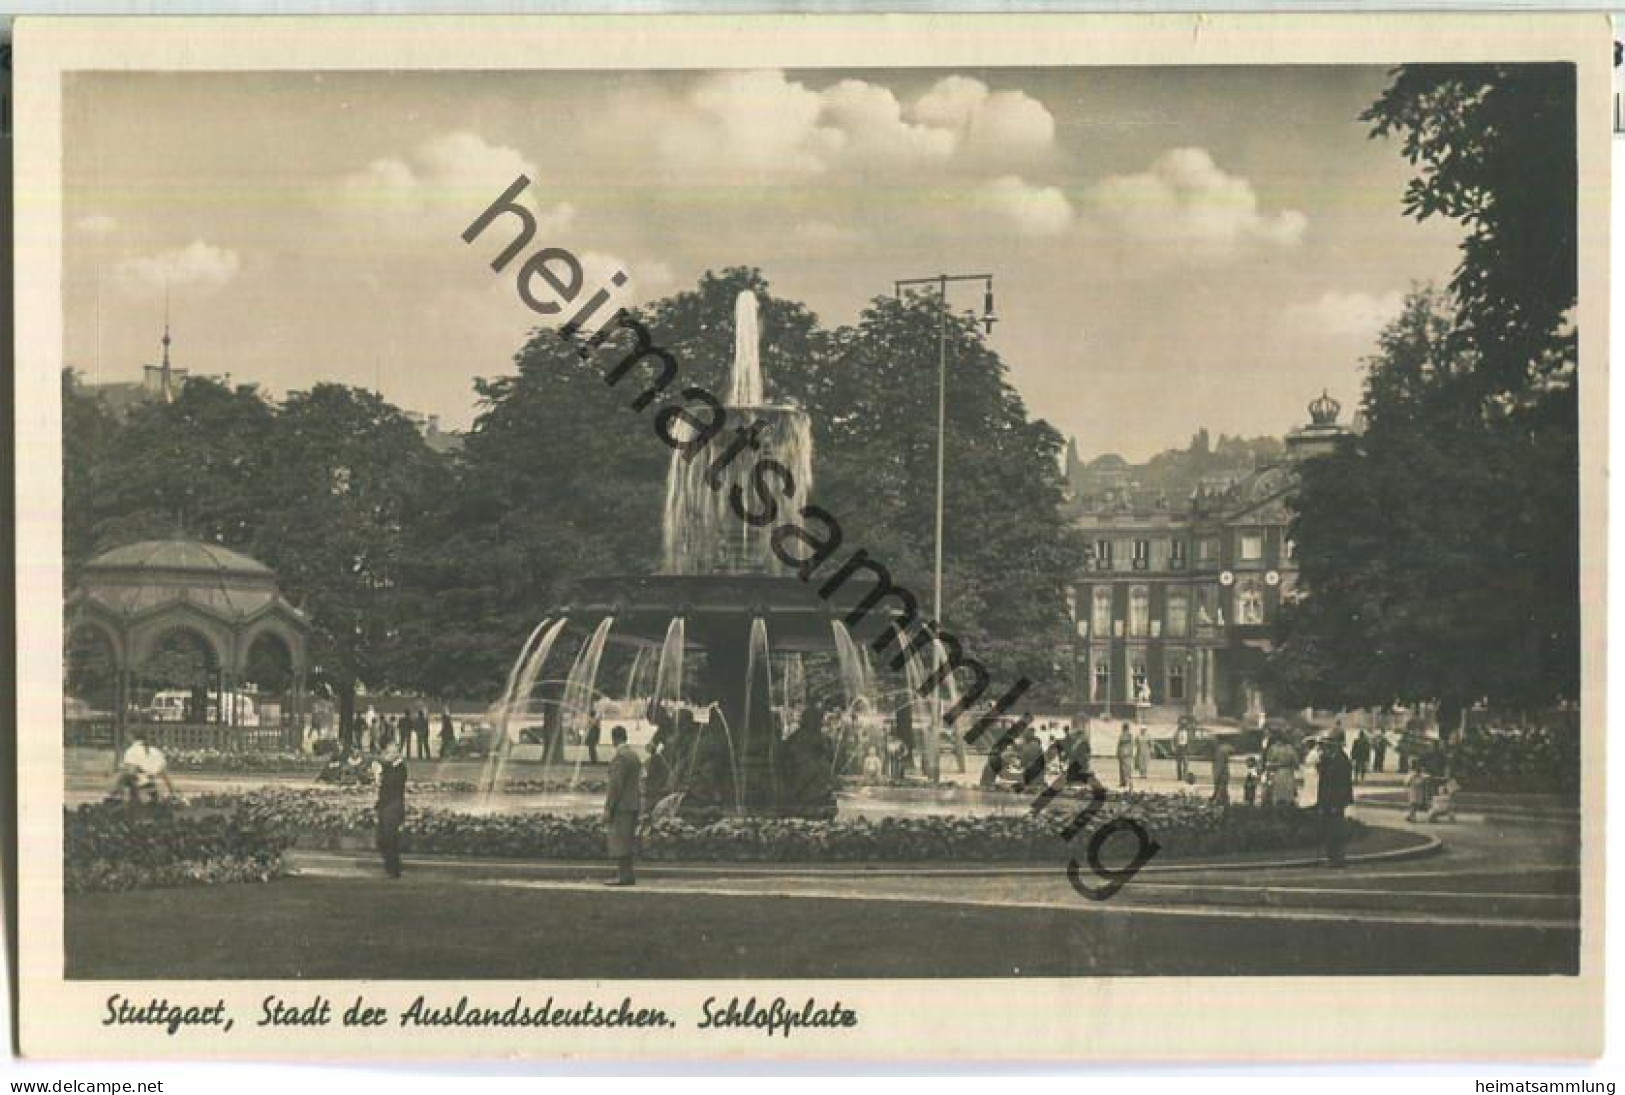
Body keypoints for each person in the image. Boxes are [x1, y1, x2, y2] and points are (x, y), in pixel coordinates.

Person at [603, 725, 642, 886]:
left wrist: (608, 807)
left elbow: (615, 785)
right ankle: (628, 874)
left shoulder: (620, 757)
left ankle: (623, 876)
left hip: (622, 806)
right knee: (628, 840)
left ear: (614, 739)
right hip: (633, 803)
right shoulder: (634, 755)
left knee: (619, 841)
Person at [1316, 730, 1354, 867]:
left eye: (1329, 744)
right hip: (1327, 801)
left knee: (1335, 830)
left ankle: (1337, 858)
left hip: (1335, 802)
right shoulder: (1329, 759)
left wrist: (1338, 803)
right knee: (1328, 830)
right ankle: (1332, 857)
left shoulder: (1341, 760)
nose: (1326, 747)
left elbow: (1343, 784)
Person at [373, 742, 408, 878]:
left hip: (393, 806)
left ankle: (394, 869)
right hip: (385, 806)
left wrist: (380, 774)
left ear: (397, 754)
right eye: (387, 752)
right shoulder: (390, 767)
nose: (387, 755)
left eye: (391, 752)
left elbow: (392, 784)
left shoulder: (400, 768)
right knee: (382, 839)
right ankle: (390, 866)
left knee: (389, 838)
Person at [111, 733, 175, 804]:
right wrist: (172, 791)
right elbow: (164, 774)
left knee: (122, 775)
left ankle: (115, 799)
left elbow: (131, 772)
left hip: (137, 785)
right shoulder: (156, 751)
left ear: (131, 737)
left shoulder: (131, 751)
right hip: (152, 783)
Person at [1263, 734, 1299, 807]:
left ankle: (1277, 809)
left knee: (1278, 792)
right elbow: (1296, 763)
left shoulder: (1273, 748)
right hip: (1288, 772)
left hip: (1278, 772)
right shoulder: (1290, 748)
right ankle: (1288, 808)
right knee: (1288, 793)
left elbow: (1269, 762)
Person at [1210, 735, 1232, 806]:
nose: (1212, 743)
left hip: (1221, 775)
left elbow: (1220, 765)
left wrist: (1216, 776)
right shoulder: (1220, 751)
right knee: (1223, 792)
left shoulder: (1220, 752)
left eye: (1213, 741)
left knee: (1221, 792)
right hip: (1223, 774)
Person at [1116, 723, 1135, 790]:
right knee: (1121, 769)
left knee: (1127, 769)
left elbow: (1131, 745)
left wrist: (1130, 753)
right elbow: (1119, 745)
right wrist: (1118, 753)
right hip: (1123, 754)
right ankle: (1123, 783)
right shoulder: (1122, 735)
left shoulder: (1129, 736)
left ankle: (1129, 783)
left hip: (1126, 754)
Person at [1172, 719, 1192, 783]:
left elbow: (1190, 741)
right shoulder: (1177, 732)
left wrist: (1189, 748)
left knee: (1185, 763)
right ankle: (1179, 776)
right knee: (1179, 763)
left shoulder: (1188, 732)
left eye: (1184, 725)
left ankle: (1185, 776)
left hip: (1185, 748)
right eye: (1182, 724)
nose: (1183, 726)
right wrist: (1174, 747)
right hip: (1179, 748)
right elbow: (1173, 740)